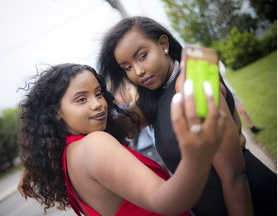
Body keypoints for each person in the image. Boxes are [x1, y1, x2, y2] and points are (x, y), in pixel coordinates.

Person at [97, 16, 277, 216]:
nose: (138, 71)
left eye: (142, 56)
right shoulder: (153, 96)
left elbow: (235, 175)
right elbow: (119, 126)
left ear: (163, 44)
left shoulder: (195, 80)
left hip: (253, 202)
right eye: (127, 67)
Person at [17, 63, 226, 215]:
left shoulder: (66, 156)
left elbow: (134, 118)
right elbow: (166, 202)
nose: (98, 104)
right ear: (56, 112)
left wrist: (33, 167)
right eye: (81, 99)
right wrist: (195, 157)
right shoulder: (95, 144)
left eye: (98, 94)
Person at [219, 61, 264, 134]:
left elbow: (223, 72)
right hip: (220, 94)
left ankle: (252, 127)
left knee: (242, 110)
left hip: (229, 91)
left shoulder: (217, 61)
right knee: (229, 117)